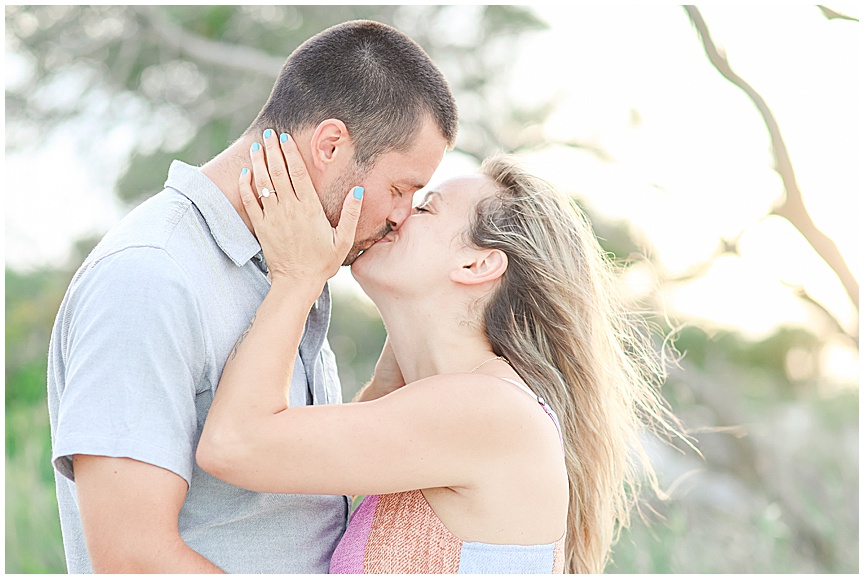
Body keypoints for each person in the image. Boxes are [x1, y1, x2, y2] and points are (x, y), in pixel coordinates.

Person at [46, 20, 457, 573]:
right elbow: (132, 556)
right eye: (400, 189)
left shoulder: (290, 266)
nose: (401, 216)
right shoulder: (151, 276)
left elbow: (295, 505)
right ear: (331, 145)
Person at [197, 136, 686, 573]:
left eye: (426, 207)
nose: (397, 214)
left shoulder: (486, 410)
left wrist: (298, 276)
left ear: (477, 263)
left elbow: (234, 444)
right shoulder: (464, 404)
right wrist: (409, 339)